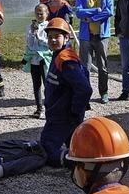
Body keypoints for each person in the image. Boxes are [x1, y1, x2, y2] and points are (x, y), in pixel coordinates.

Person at [39, 18, 92, 167]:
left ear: (67, 37)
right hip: (61, 113)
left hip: (62, 116)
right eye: (50, 37)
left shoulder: (66, 60)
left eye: (57, 36)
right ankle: (82, 161)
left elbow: (84, 88)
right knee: (76, 145)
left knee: (46, 149)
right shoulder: (60, 55)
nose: (53, 40)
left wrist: (75, 111)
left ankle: (73, 163)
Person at [75, 0, 114, 104]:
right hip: (86, 37)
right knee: (85, 66)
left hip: (102, 36)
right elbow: (79, 12)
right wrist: (96, 10)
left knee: (102, 67)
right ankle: (85, 93)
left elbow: (109, 11)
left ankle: (104, 92)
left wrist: (92, 18)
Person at [21, 4, 52, 119]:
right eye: (37, 13)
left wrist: (39, 36)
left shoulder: (49, 26)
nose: (39, 15)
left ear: (46, 14)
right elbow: (29, 44)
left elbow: (49, 43)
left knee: (47, 84)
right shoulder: (30, 27)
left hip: (45, 58)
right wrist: (32, 35)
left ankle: (50, 108)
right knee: (36, 85)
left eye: (41, 13)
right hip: (34, 59)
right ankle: (39, 108)